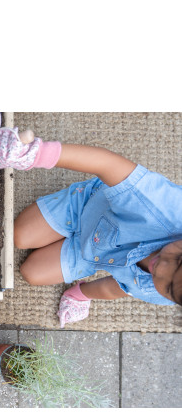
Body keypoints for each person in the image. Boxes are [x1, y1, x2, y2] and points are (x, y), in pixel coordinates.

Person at [10, 134, 182, 326]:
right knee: (19, 236)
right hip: (85, 206)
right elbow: (108, 164)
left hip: (91, 254)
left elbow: (120, 287)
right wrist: (36, 153)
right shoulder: (168, 209)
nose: (160, 269)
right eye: (179, 260)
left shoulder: (166, 293)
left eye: (168, 286)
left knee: (32, 273)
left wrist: (81, 294)